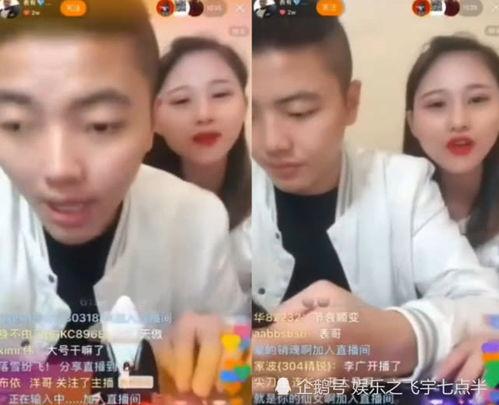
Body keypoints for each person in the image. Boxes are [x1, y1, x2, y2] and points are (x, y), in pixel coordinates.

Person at [0, 0, 247, 400]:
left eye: (101, 124)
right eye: (15, 124)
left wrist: (227, 351)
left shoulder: (197, 219)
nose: (59, 168)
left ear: (152, 122)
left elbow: (236, 349)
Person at [251, 14, 499, 384]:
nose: (272, 142)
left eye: (300, 112)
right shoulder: (225, 199)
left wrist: (392, 336)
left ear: (351, 102)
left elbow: (482, 302)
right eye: (250, 115)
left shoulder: (404, 185)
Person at [403, 35, 499, 383]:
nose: (458, 121)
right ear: (412, 123)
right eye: (436, 104)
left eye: (477, 100)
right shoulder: (393, 207)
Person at [145, 37, 251, 292]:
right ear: (154, 118)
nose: (204, 115)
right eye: (181, 100)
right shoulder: (134, 204)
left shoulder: (267, 199)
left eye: (221, 94)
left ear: (245, 105)